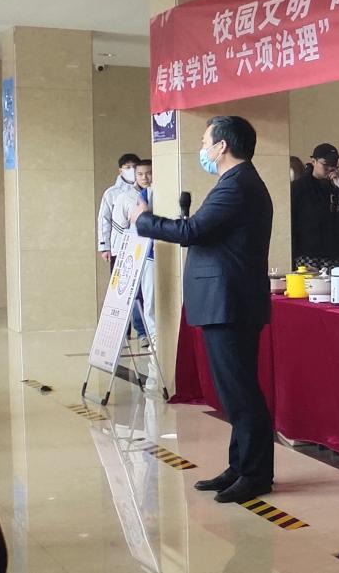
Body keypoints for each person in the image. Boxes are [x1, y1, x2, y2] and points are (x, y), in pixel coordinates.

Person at [130, 115, 274, 505]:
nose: (203, 149)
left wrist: (143, 220)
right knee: (235, 391)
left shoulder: (237, 186)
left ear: (222, 146)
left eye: (205, 141)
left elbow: (191, 231)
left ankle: (255, 474)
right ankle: (239, 466)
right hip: (227, 302)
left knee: (241, 393)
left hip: (230, 304)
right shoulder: (236, 182)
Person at [290, 143, 339, 270]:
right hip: (309, 251)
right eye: (326, 164)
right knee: (310, 282)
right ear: (313, 161)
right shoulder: (299, 187)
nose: (331, 168)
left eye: (335, 165)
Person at [112, 159, 156, 347]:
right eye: (140, 174)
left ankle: (154, 334)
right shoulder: (125, 196)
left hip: (158, 250)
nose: (145, 177)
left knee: (152, 296)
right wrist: (116, 251)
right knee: (140, 296)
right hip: (138, 252)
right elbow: (117, 226)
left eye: (149, 173)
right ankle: (146, 334)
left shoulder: (160, 192)